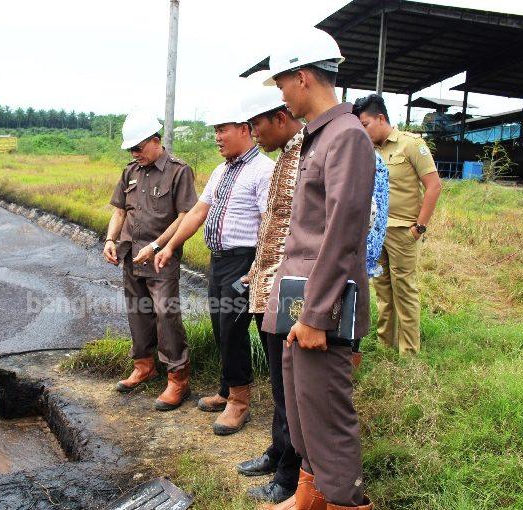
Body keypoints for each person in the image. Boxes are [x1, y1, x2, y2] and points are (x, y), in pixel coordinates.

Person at [254, 27, 376, 509]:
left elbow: (344, 234)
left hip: (320, 307)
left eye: (282, 83)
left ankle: (347, 502)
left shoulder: (346, 138)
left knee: (328, 419)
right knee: (304, 414)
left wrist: (313, 316)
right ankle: (309, 497)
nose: (281, 95)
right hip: (300, 299)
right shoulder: (317, 137)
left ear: (303, 77)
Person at [154, 97, 274, 436]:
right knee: (221, 327)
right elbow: (197, 212)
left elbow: (269, 223)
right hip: (219, 262)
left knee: (235, 329)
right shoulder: (222, 170)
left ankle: (240, 401)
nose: (217, 137)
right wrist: (170, 245)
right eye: (215, 131)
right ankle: (226, 388)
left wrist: (260, 264)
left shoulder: (263, 170)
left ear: (244, 130)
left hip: (246, 262)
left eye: (222, 130)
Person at [232, 86, 303, 504]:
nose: (252, 132)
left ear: (279, 117)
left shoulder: (308, 154)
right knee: (279, 384)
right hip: (266, 286)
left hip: (290, 290)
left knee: (290, 387)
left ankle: (290, 475)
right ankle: (278, 452)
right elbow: (273, 226)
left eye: (256, 124)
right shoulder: (285, 158)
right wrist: (256, 271)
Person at [104, 111, 197, 411]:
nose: (134, 154)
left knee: (165, 313)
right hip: (131, 253)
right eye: (131, 149)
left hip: (161, 258)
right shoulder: (130, 171)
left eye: (139, 148)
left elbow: (185, 216)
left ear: (156, 142)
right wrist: (110, 240)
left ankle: (177, 377)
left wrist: (158, 247)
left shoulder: (179, 171)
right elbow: (119, 211)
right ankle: (144, 365)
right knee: (137, 311)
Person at [353, 94, 442, 355]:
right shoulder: (369, 150)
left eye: (366, 125)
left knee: (404, 290)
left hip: (404, 231)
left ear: (381, 118)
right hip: (376, 233)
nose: (364, 131)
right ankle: (385, 345)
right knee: (382, 291)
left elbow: (434, 186)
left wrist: (419, 227)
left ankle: (409, 352)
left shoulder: (411, 145)